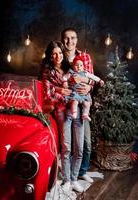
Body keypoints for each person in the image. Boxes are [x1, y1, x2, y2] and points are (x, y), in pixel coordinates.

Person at [41, 41, 85, 193]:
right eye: (53, 53)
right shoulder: (47, 71)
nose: (57, 56)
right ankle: (66, 180)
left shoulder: (69, 67)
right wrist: (59, 91)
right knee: (66, 147)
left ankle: (74, 179)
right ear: (50, 56)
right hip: (61, 110)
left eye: (59, 53)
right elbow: (47, 95)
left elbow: (83, 78)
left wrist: (86, 87)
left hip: (77, 107)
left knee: (79, 147)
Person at [61, 27, 95, 183]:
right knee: (67, 144)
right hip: (66, 104)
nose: (70, 41)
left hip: (82, 103)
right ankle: (66, 175)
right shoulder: (60, 58)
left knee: (86, 143)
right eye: (67, 38)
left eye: (73, 37)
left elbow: (90, 79)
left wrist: (89, 86)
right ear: (63, 40)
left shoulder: (85, 57)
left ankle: (81, 171)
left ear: (77, 39)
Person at [63, 54, 104, 121]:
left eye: (81, 65)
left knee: (87, 103)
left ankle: (85, 114)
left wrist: (99, 80)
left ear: (83, 66)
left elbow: (93, 77)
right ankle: (74, 112)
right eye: (77, 65)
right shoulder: (71, 73)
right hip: (75, 92)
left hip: (84, 93)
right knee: (74, 101)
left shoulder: (85, 73)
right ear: (73, 66)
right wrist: (64, 82)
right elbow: (64, 77)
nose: (79, 67)